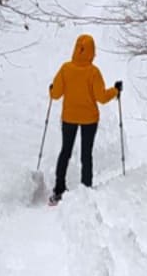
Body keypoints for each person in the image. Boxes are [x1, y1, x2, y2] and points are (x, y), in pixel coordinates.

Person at [47, 33, 121, 204]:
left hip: (69, 118)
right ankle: (86, 189)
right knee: (86, 154)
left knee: (65, 151)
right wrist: (115, 91)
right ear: (91, 52)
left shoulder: (66, 69)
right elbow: (101, 97)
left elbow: (56, 94)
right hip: (89, 119)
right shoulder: (93, 72)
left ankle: (58, 190)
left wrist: (51, 89)